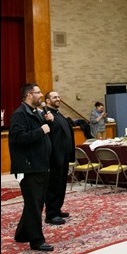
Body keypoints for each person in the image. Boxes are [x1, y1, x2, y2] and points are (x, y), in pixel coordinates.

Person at [9, 83, 54, 251]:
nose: (41, 95)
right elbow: (19, 139)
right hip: (29, 167)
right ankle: (37, 241)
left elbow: (47, 133)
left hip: (41, 164)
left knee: (35, 203)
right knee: (34, 205)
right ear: (29, 95)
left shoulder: (37, 113)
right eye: (38, 92)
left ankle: (22, 233)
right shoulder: (19, 115)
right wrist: (40, 130)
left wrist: (50, 123)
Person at [44, 91, 75, 225]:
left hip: (63, 156)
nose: (58, 99)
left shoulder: (58, 114)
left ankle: (57, 209)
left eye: (58, 97)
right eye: (54, 97)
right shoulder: (46, 115)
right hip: (54, 157)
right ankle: (50, 214)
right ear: (47, 101)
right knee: (53, 186)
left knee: (61, 185)